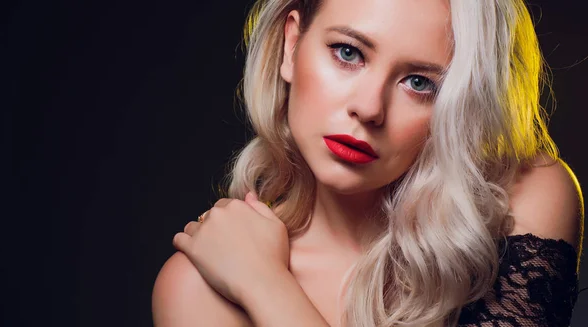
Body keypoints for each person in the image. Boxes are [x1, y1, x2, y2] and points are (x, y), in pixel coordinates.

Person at [152, 0, 584, 326]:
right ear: (291, 45)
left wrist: (266, 286)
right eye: (348, 53)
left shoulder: (525, 197)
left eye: (419, 82)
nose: (369, 108)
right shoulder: (197, 288)